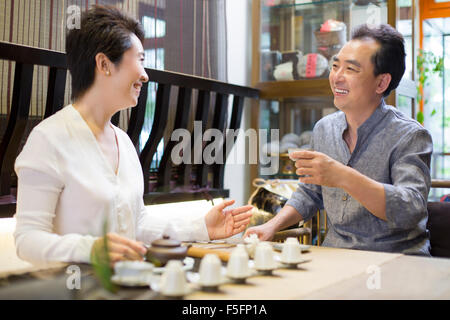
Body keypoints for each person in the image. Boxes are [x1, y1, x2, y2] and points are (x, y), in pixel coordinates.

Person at [13, 5, 252, 266]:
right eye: (139, 59)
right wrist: (89, 248)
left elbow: (137, 222)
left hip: (124, 287)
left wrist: (201, 228)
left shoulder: (124, 142)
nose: (145, 75)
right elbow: (28, 240)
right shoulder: (48, 139)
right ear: (104, 64)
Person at [244, 24, 433, 256]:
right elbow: (309, 193)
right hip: (336, 256)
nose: (337, 77)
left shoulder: (410, 136)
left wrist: (342, 176)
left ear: (381, 83)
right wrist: (270, 226)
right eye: (335, 66)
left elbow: (409, 209)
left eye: (351, 69)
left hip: (394, 260)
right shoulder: (324, 129)